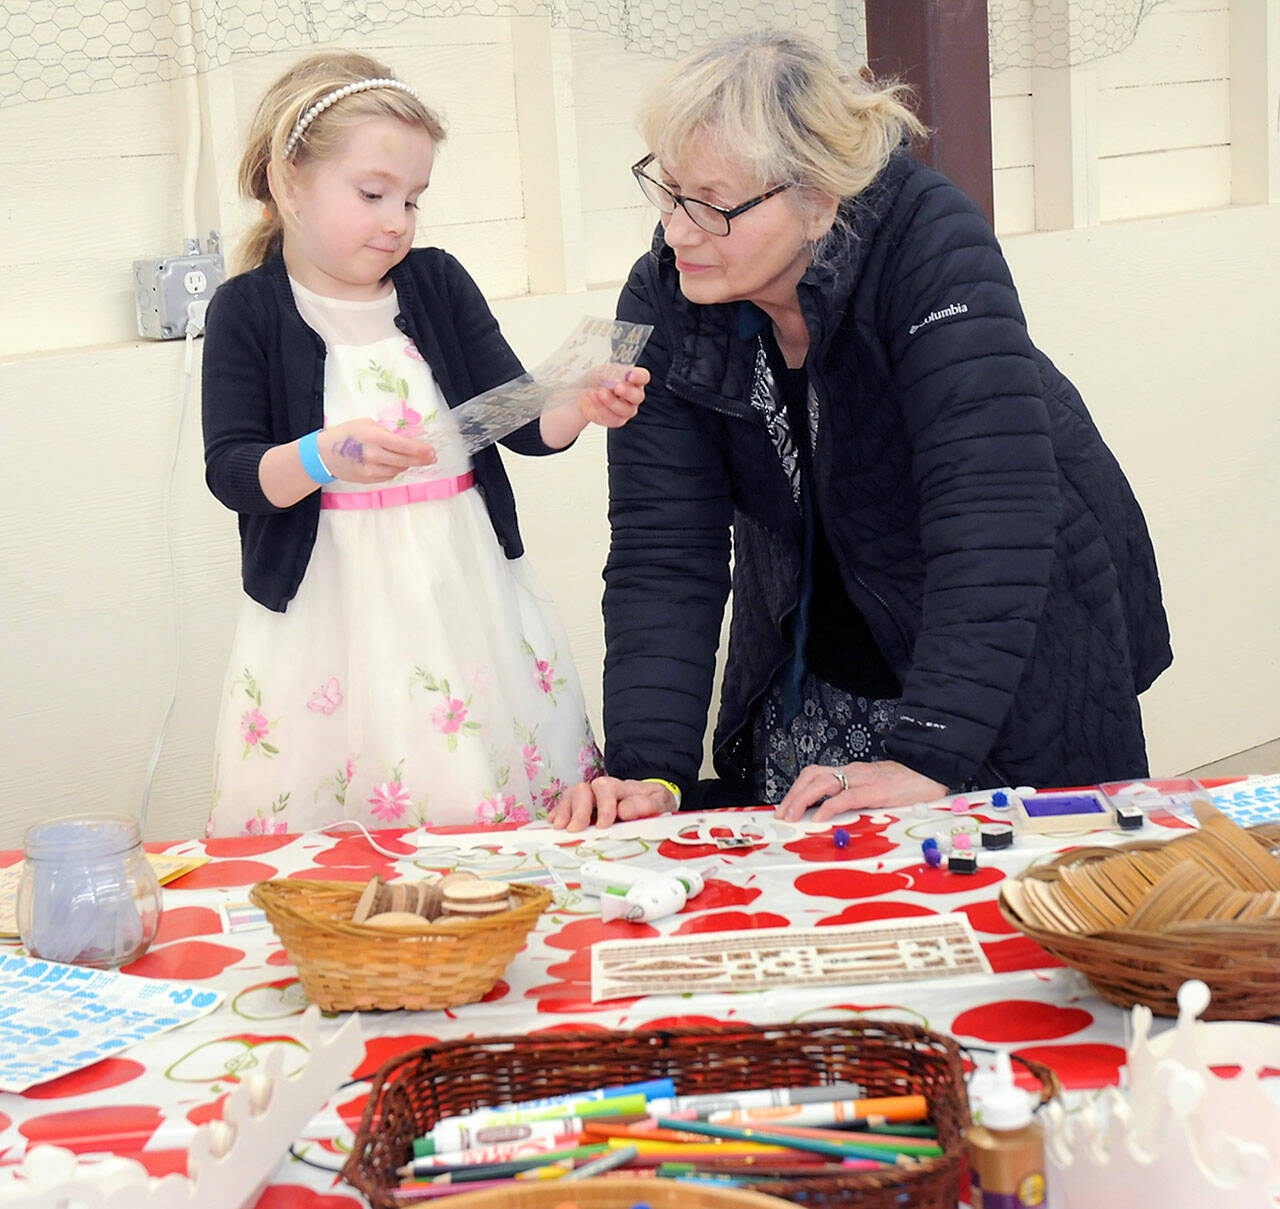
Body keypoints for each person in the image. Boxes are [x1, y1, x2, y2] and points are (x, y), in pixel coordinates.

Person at [550, 28, 1171, 832]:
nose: (676, 230)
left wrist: (931, 752)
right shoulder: (666, 296)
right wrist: (650, 772)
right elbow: (664, 547)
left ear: (819, 199)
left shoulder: (930, 244)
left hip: (1000, 636)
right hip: (817, 648)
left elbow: (989, 513)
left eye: (710, 202)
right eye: (667, 191)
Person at [202, 52, 647, 836]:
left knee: (478, 792)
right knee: (348, 817)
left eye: (413, 199)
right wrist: (321, 455)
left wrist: (577, 401)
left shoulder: (437, 282)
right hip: (329, 614)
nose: (397, 221)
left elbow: (519, 420)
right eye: (373, 194)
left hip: (460, 591)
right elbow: (235, 472)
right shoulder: (248, 309)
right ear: (285, 183)